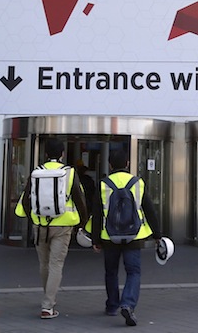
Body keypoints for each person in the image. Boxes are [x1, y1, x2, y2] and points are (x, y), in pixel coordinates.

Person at [15, 138, 88, 320]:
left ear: (46, 154)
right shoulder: (69, 173)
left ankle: (49, 297)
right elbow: (80, 200)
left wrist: (34, 219)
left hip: (40, 226)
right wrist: (83, 223)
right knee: (56, 264)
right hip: (63, 226)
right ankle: (48, 305)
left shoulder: (36, 172)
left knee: (44, 264)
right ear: (62, 154)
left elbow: (25, 200)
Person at [92, 149, 161, 327]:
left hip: (109, 236)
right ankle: (128, 304)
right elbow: (150, 210)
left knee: (111, 272)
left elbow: (98, 215)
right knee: (133, 272)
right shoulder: (138, 183)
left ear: (110, 164)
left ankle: (112, 305)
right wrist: (157, 235)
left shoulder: (103, 184)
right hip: (134, 235)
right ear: (127, 164)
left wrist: (95, 240)